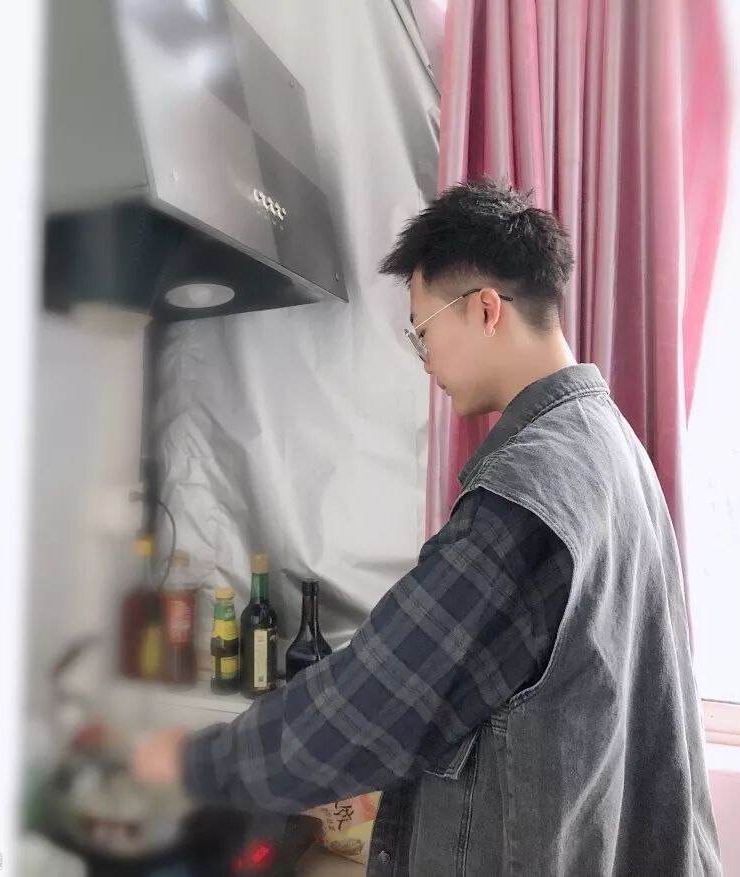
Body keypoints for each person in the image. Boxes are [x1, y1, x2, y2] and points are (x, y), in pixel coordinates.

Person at [131, 179, 721, 876]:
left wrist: (193, 762)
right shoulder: (611, 444)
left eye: (423, 332)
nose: (427, 360)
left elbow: (371, 705)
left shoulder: (525, 495)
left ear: (485, 309)